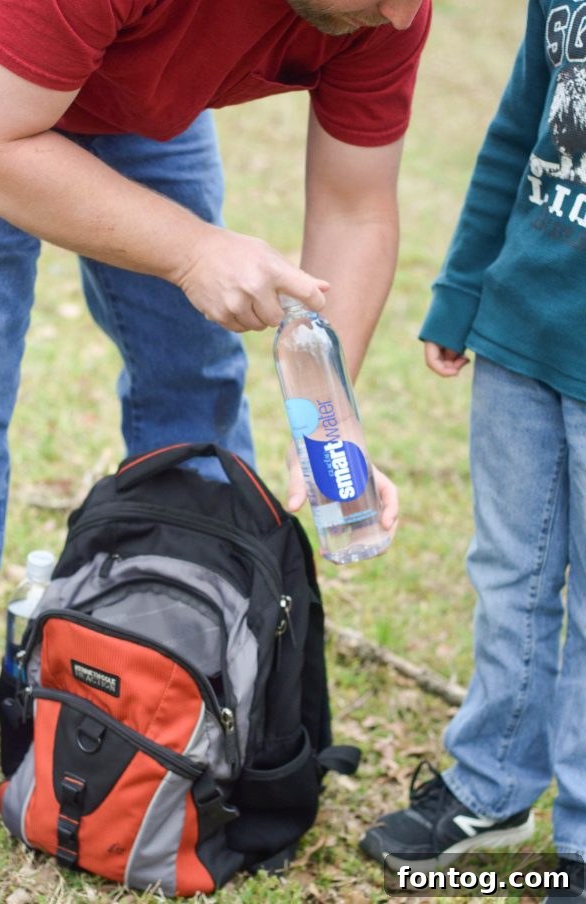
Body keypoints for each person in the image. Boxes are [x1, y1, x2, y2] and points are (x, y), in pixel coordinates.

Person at [0, 0, 432, 618]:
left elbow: (353, 207)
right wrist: (192, 252)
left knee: (195, 376)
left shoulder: (388, 11)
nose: (404, 18)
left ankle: (185, 659)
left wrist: (331, 426)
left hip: (130, 95)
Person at [360, 0, 586, 895]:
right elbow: (514, 133)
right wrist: (463, 288)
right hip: (523, 326)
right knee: (509, 570)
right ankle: (491, 785)